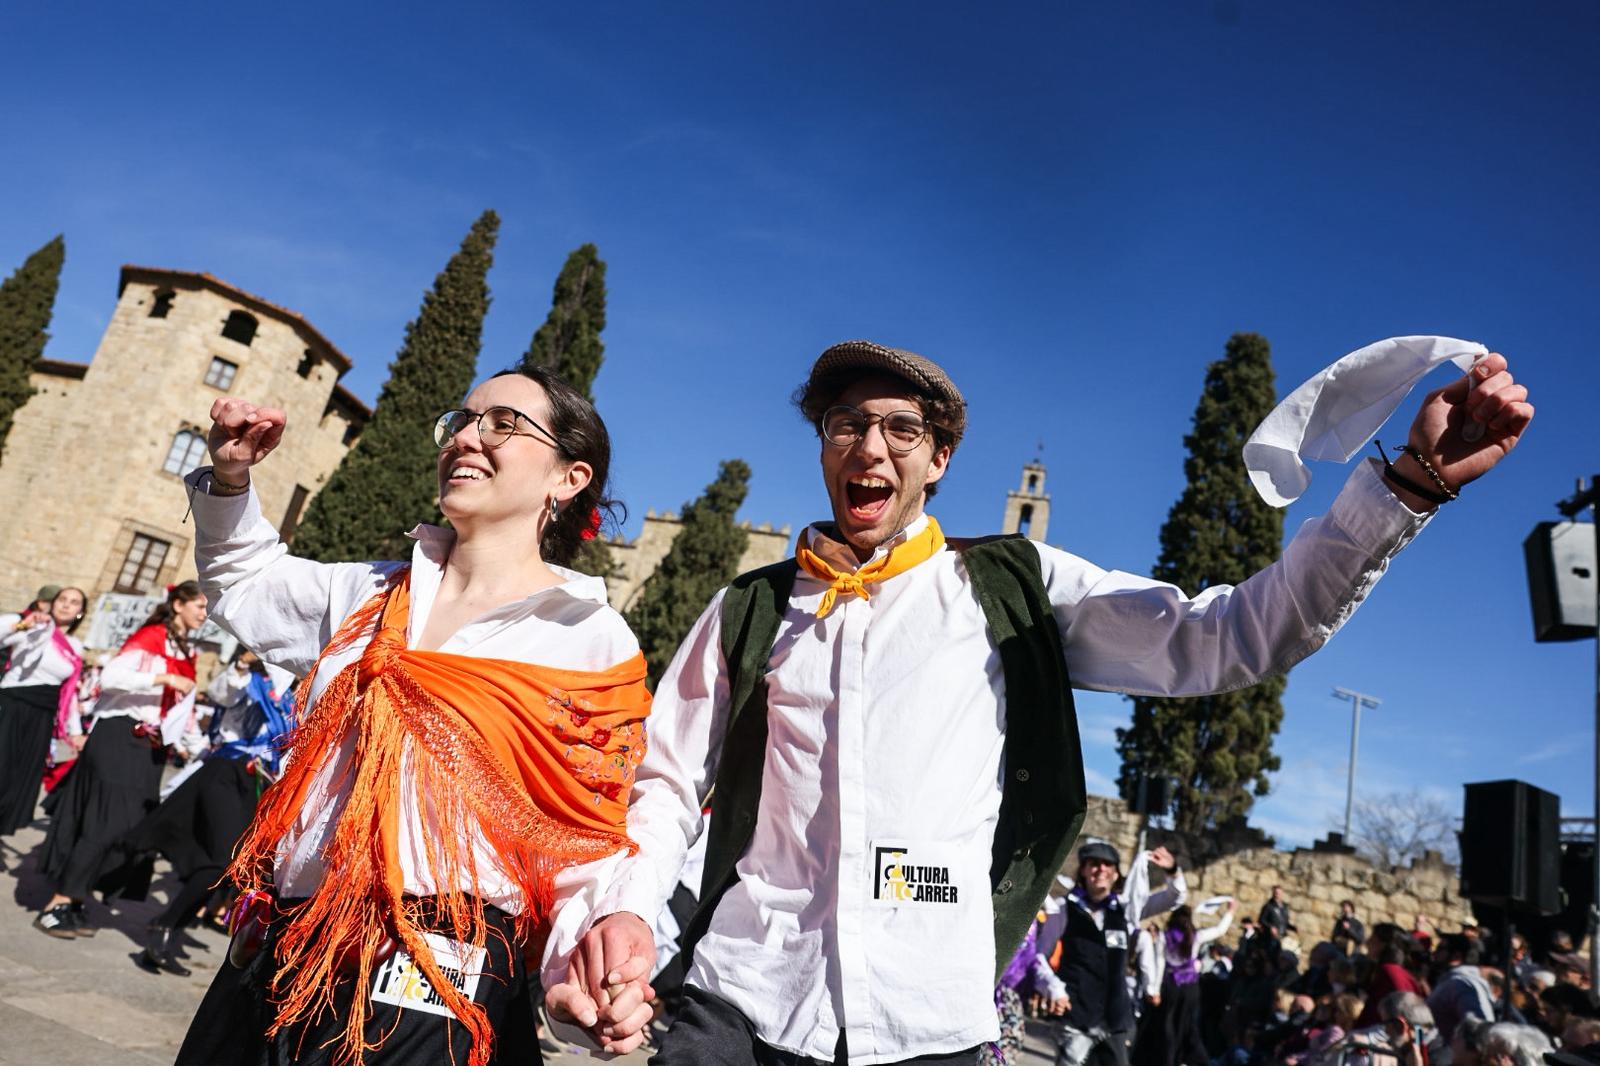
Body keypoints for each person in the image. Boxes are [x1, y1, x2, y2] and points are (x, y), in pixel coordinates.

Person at [547, 339, 1533, 1063]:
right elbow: (666, 783)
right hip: (738, 1003)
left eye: (903, 428)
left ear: (938, 462)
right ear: (822, 448)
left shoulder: (1012, 588)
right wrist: (629, 914)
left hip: (929, 1020)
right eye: (848, 423)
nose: (872, 446)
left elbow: (1233, 632)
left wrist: (1402, 487)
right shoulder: (748, 607)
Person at [171, 369, 654, 1066]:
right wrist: (230, 476)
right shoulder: (367, 591)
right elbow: (244, 580)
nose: (465, 436)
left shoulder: (589, 639)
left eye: (502, 424)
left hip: (435, 973)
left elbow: (580, 836)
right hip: (283, 944)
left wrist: (572, 975)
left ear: (569, 478)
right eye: (461, 419)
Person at [98, 645, 298, 976]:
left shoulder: (290, 700)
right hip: (226, 772)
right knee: (222, 859)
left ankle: (168, 931)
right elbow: (221, 693)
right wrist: (241, 664)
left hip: (257, 783)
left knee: (228, 865)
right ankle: (164, 926)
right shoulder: (246, 680)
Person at [32, 581, 206, 937]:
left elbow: (181, 708)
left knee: (129, 827)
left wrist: (196, 745)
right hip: (120, 736)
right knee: (104, 822)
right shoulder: (153, 637)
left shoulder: (187, 651)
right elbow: (110, 678)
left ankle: (77, 899)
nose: (205, 613)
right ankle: (57, 903)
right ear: (178, 605)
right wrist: (163, 676)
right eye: (200, 606)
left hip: (151, 748)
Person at [1042, 842, 1187, 1066]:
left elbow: (1174, 898)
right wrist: (1053, 988)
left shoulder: (1127, 910)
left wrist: (1172, 870)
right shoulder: (1064, 909)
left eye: (1107, 864)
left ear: (1116, 873)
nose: (1101, 869)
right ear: (1083, 870)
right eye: (1094, 864)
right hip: (1076, 1016)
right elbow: (1039, 955)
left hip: (1115, 1020)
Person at [0, 586, 86, 835]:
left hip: (42, 717)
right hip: (13, 706)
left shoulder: (76, 647)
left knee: (17, 781)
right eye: (62, 599)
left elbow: (68, 696)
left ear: (80, 612)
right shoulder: (34, 626)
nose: (67, 605)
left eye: (74, 602)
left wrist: (76, 732)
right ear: (52, 603)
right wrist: (21, 624)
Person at [1135, 899, 1235, 1066]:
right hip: (1190, 988)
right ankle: (1192, 1059)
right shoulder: (1195, 936)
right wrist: (1230, 912)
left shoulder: (1164, 937)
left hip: (1170, 987)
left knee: (1167, 1025)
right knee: (1188, 1025)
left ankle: (1169, 1059)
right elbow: (1219, 930)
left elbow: (1159, 963)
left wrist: (1154, 990)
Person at [1430, 934, 1496, 1063]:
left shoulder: (1461, 984)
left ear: (1456, 956)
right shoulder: (1453, 980)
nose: (1435, 952)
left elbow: (1477, 1024)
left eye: (1441, 948)